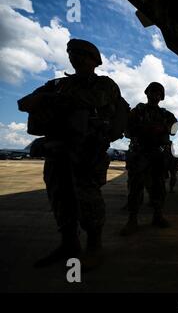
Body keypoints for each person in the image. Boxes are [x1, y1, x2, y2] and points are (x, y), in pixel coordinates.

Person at [17, 38, 129, 268]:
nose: (74, 56)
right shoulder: (57, 84)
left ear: (94, 60)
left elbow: (92, 100)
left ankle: (94, 247)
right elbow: (24, 103)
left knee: (88, 200)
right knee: (60, 198)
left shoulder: (104, 84)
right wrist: (43, 98)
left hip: (87, 152)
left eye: (81, 53)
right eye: (71, 52)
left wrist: (47, 98)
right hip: (57, 150)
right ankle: (68, 243)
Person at [120, 82, 178, 236]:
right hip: (140, 153)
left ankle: (157, 216)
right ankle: (132, 220)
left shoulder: (166, 114)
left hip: (157, 155)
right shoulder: (138, 110)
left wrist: (162, 128)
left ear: (162, 97)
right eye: (153, 92)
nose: (156, 95)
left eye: (159, 93)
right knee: (135, 187)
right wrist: (143, 129)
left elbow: (174, 128)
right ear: (147, 93)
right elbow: (127, 128)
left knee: (159, 186)